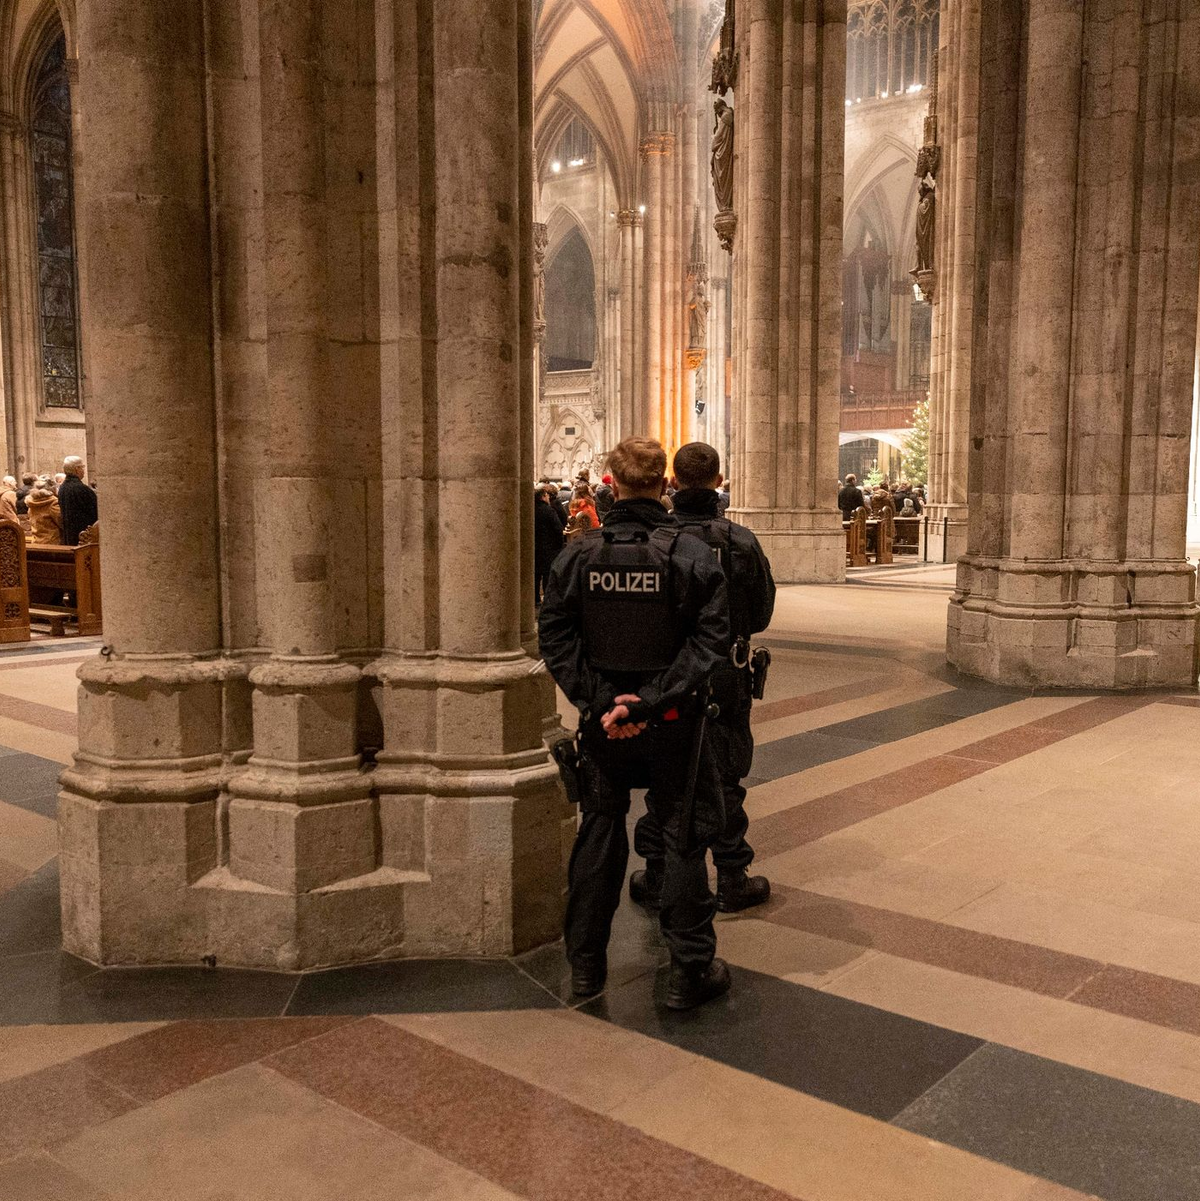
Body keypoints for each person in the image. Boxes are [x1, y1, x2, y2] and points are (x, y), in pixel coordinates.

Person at [538, 436, 732, 1010]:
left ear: (613, 482)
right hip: (673, 722)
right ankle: (687, 971)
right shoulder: (690, 555)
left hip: (605, 727)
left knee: (599, 831)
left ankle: (585, 968)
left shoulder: (578, 555)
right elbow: (711, 642)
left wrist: (601, 702)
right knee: (681, 836)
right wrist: (648, 701)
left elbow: (555, 636)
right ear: (662, 483)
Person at [630, 441, 776, 915]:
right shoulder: (739, 541)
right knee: (726, 774)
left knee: (664, 773)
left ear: (673, 481)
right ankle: (731, 877)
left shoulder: (652, 540)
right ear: (718, 481)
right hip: (724, 676)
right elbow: (761, 614)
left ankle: (657, 876)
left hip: (666, 677)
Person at [57, 456, 98, 546]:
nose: (83, 470)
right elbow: (96, 512)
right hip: (84, 538)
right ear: (77, 469)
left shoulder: (62, 488)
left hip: (69, 535)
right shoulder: (82, 489)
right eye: (82, 467)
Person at [534, 487, 564, 604]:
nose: (548, 498)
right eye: (547, 495)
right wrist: (559, 545)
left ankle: (535, 598)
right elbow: (558, 528)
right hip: (548, 547)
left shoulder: (529, 509)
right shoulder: (549, 510)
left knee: (535, 574)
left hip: (534, 546)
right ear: (543, 497)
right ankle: (547, 598)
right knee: (547, 574)